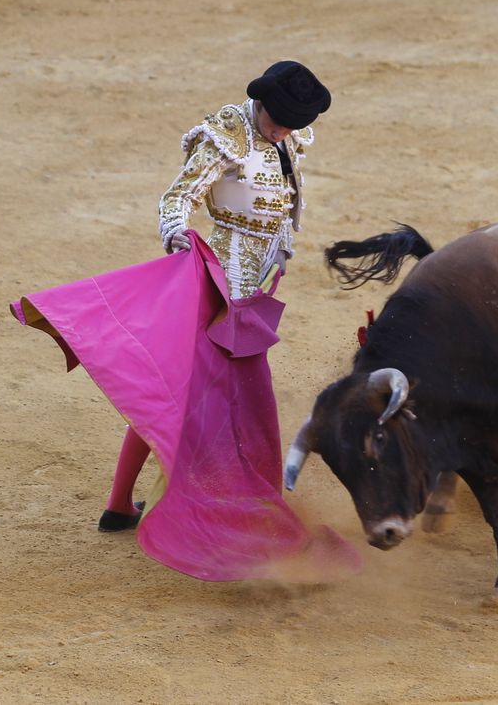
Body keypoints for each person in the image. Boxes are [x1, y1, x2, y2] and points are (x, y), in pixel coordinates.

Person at [97, 60, 332, 531]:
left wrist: (282, 240)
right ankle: (192, 504)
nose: (282, 133)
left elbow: (283, 195)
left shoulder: (285, 136)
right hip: (220, 278)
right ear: (258, 103)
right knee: (197, 392)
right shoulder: (227, 134)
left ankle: (124, 504)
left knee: (185, 390)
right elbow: (178, 196)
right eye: (277, 123)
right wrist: (176, 232)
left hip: (255, 281)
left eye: (290, 127)